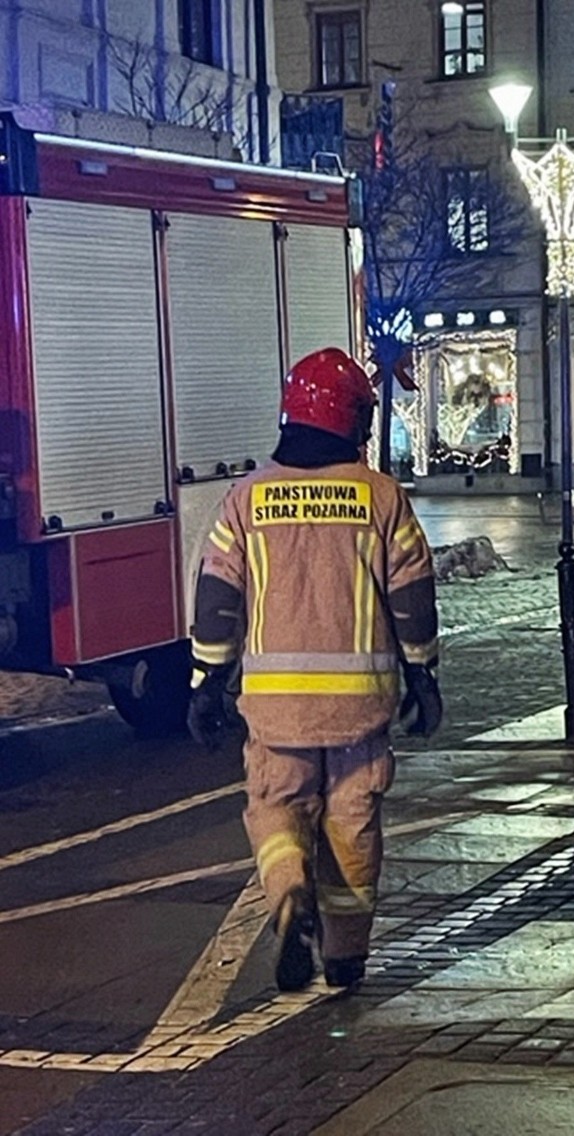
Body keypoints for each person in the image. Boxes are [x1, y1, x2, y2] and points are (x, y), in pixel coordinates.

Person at [187, 348, 442, 991]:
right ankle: (347, 956)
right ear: (351, 419)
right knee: (352, 824)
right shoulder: (380, 496)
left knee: (275, 811)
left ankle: (289, 895)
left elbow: (217, 599)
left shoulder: (245, 500)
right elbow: (412, 597)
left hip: (277, 709)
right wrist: (424, 674)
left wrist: (206, 680)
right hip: (360, 707)